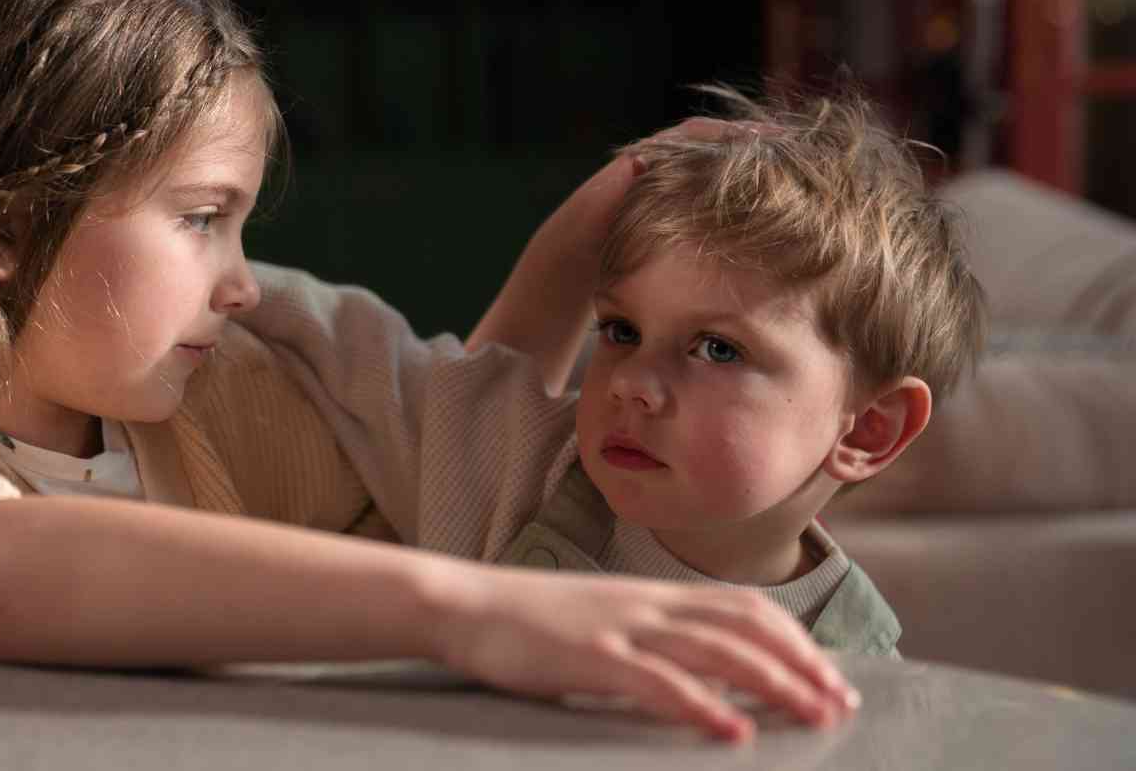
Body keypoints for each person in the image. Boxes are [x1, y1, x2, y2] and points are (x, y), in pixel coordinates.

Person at [0, 0, 856, 743]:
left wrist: (594, 226)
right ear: (10, 225)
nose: (241, 281)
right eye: (200, 218)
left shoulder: (228, 411)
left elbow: (453, 444)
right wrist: (480, 616)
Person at [236, 86, 987, 657]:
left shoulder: (857, 657)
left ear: (872, 428)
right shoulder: (525, 465)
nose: (629, 380)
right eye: (622, 331)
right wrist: (208, 275)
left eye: (718, 349)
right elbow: (344, 340)